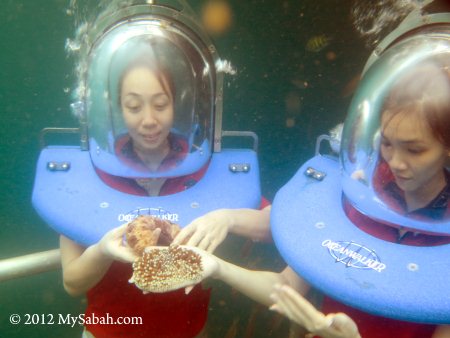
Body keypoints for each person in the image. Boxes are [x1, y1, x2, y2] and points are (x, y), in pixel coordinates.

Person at [169, 62, 450, 338]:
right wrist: (218, 268)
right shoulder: (358, 194)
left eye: (415, 150)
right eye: (387, 144)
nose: (396, 162)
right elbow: (285, 286)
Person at [60, 56, 212, 338]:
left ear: (176, 105)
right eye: (133, 106)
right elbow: (72, 283)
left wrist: (229, 218)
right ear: (119, 108)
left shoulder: (205, 165)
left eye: (160, 105)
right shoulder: (90, 173)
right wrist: (102, 251)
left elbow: (269, 221)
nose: (149, 120)